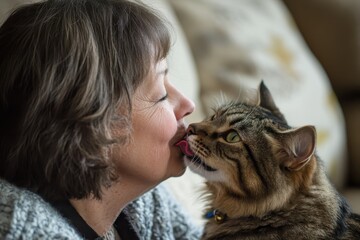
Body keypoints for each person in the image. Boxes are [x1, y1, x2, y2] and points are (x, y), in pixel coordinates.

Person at [0, 0, 202, 239]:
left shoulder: (142, 203)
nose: (189, 105)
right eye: (161, 96)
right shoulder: (21, 227)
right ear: (91, 122)